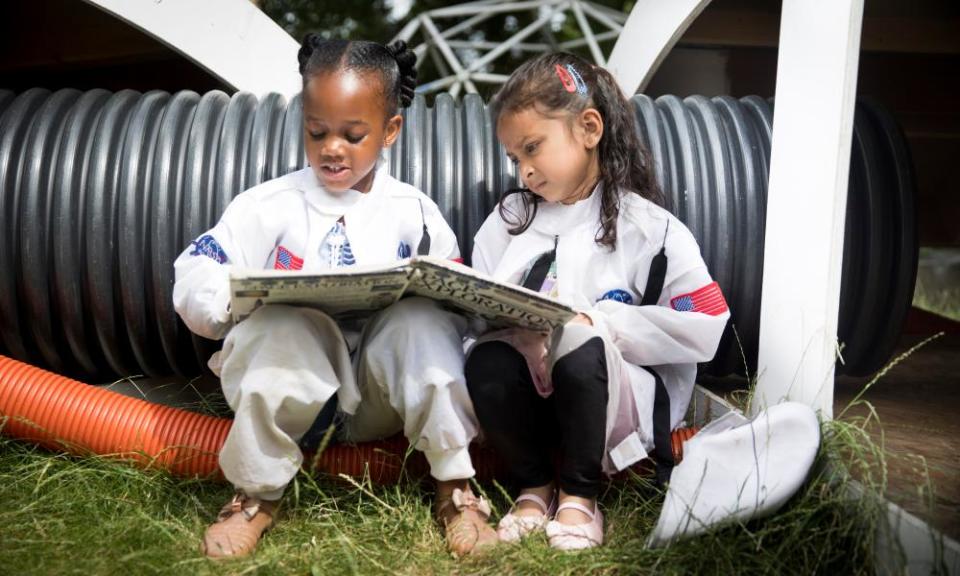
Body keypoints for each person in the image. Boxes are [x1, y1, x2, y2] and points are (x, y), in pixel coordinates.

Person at [173, 35, 496, 559]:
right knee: (276, 325)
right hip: (299, 399)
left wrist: (452, 302)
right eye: (317, 131)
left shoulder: (414, 211)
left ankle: (454, 489)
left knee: (421, 319)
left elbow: (458, 300)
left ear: (390, 130)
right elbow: (195, 273)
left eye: (353, 134)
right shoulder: (267, 205)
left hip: (378, 401)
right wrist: (232, 299)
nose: (332, 148)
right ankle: (256, 494)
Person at [465, 52, 730, 551]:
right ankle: (532, 486)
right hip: (527, 403)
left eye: (533, 148)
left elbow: (707, 322)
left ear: (589, 128)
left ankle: (579, 496)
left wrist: (604, 322)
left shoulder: (649, 228)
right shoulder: (509, 221)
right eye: (514, 159)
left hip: (609, 405)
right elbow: (479, 300)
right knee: (488, 356)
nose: (525, 172)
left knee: (581, 339)